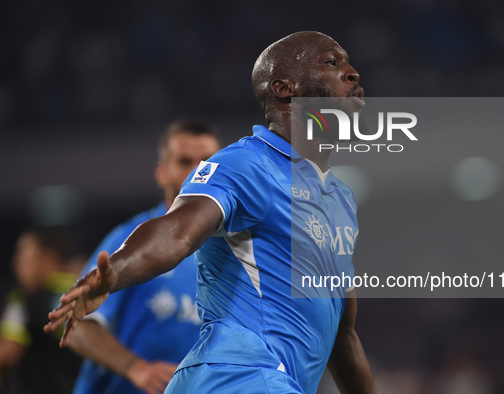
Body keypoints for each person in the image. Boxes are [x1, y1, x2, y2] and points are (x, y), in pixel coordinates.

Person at [46, 31, 376, 394]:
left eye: (346, 62)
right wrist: (114, 275)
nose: (352, 72)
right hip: (241, 377)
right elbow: (176, 231)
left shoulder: (339, 200)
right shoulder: (249, 163)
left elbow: (342, 338)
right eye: (331, 63)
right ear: (285, 89)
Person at [67, 119, 221, 394]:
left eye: (207, 161)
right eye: (185, 161)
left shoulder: (236, 251)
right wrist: (135, 368)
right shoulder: (129, 239)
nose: (199, 171)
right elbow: (79, 326)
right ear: (162, 173)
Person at [0, 226, 82, 393]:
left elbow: (7, 355)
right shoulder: (85, 292)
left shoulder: (22, 300)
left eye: (24, 256)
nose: (16, 262)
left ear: (49, 259)